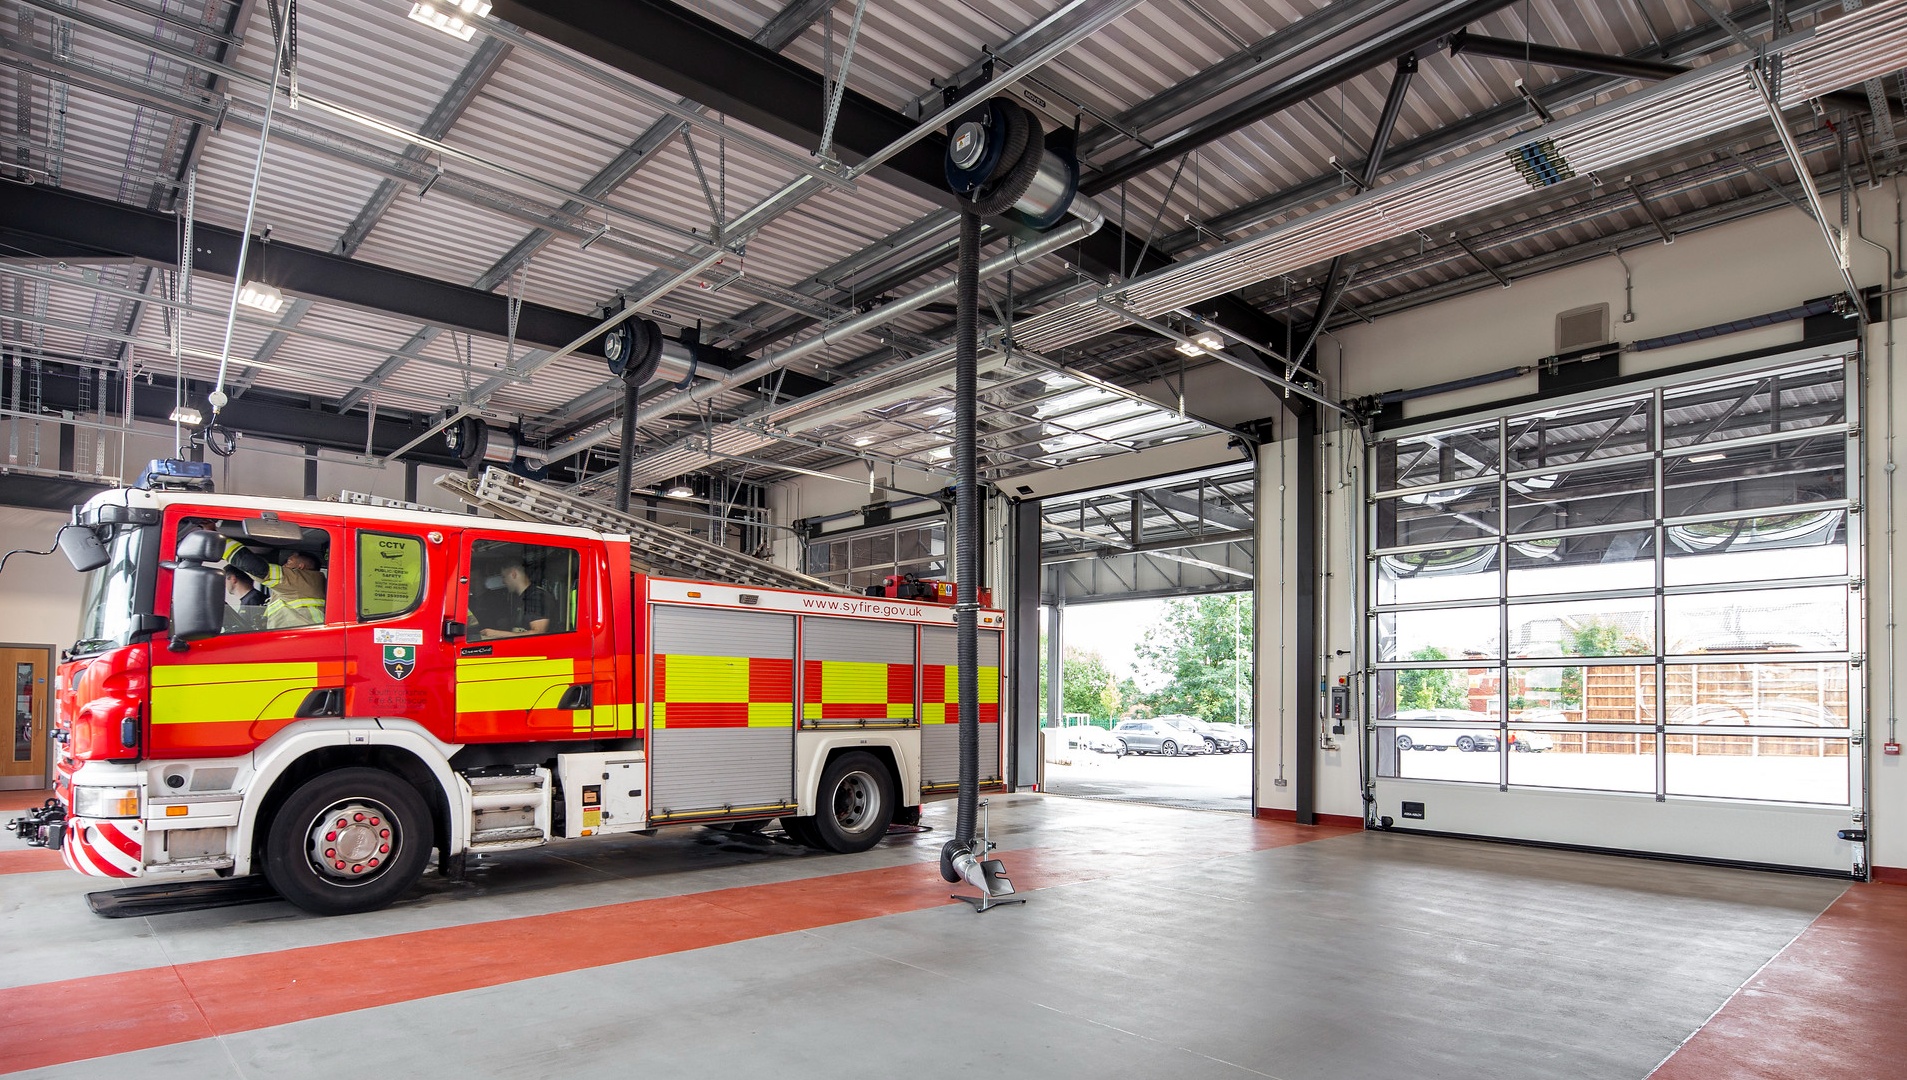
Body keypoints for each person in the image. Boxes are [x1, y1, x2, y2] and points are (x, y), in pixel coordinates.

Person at [219, 536, 326, 629]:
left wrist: (219, 541)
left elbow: (258, 569)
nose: (283, 566)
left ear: (300, 566)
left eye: (289, 562)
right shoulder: (293, 588)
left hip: (301, 643)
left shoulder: (302, 580)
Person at [475, 561, 555, 640]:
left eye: (504, 577)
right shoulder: (520, 598)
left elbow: (539, 632)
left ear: (513, 574)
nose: (503, 582)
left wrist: (497, 634)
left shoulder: (537, 596)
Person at [223, 567, 268, 632]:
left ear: (233, 579)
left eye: (224, 580)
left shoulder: (255, 600)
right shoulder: (249, 600)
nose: (224, 584)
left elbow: (258, 630)